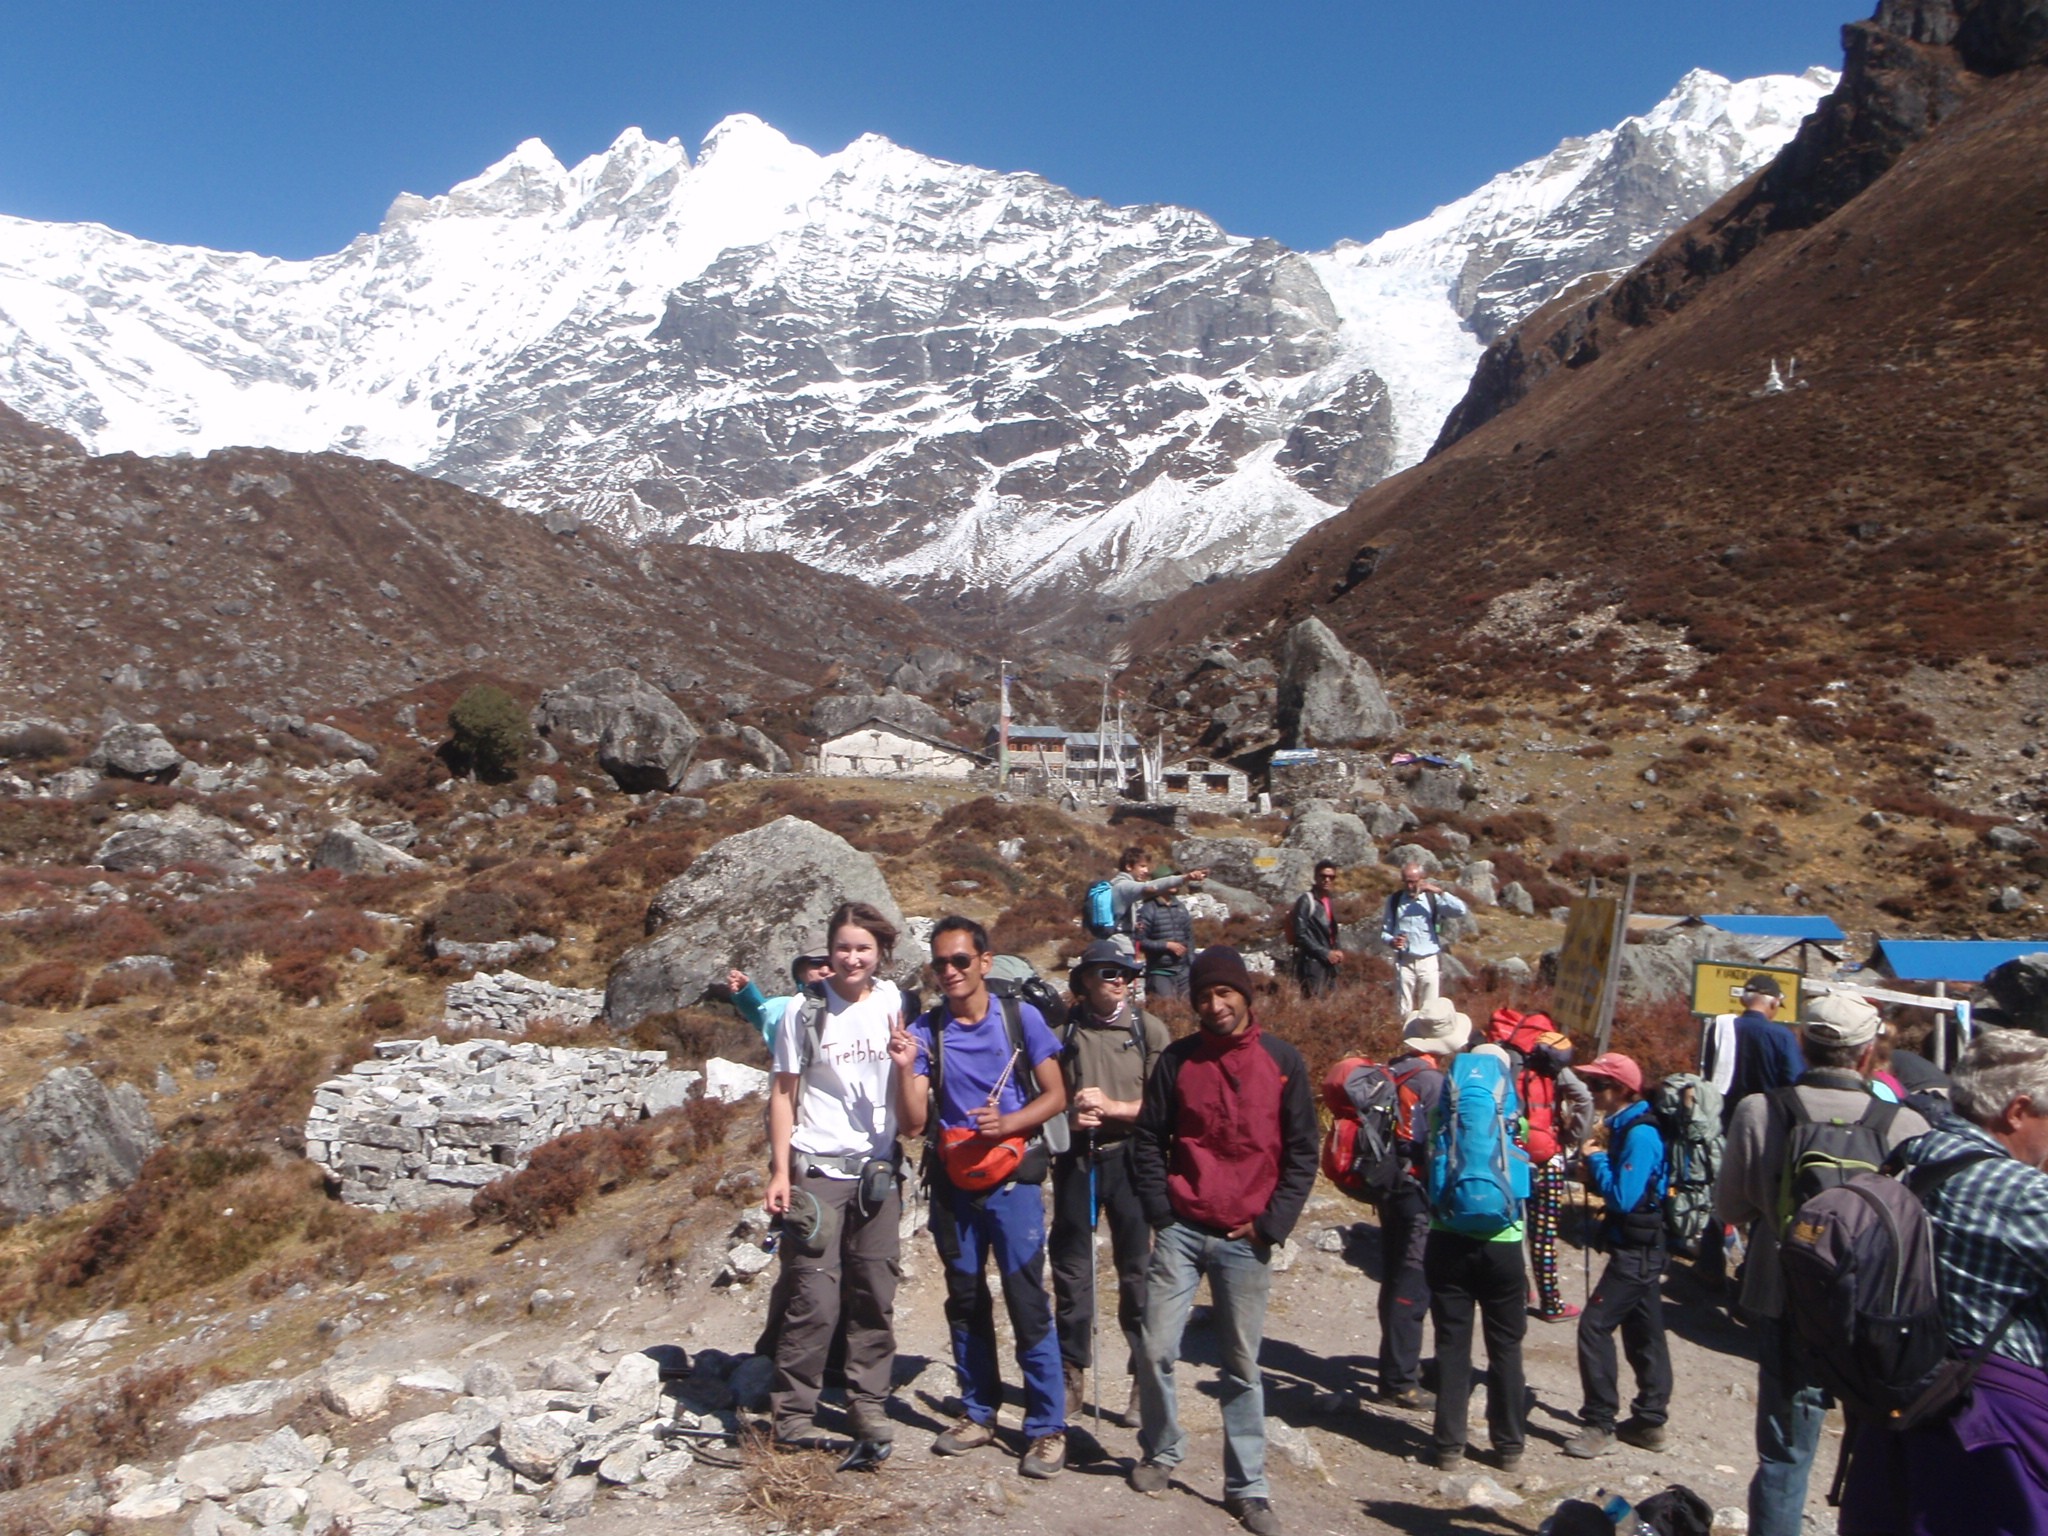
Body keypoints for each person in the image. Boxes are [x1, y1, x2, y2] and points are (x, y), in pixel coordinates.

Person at [1715, 993, 1929, 1536]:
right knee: (1876, 1448)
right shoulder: (1904, 1125)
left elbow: (1729, 1209)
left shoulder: (1761, 1110)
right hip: (1874, 1310)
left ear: (1802, 1043)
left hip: (1784, 1293)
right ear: (1866, 1054)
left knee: (1785, 1453)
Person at [1128, 946, 1318, 1536]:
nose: (1215, 1006)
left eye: (1225, 994)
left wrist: (1270, 1225)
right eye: (1205, 996)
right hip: (1183, 1230)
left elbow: (1303, 1153)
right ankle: (1161, 1450)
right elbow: (1147, 1140)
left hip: (1246, 1239)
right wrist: (1163, 1213)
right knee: (1156, 1347)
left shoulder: (1283, 1062)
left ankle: (1248, 1487)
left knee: (1240, 1365)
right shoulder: (1179, 1061)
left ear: (1246, 995)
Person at [1839, 1027, 2048, 1536]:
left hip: (1899, 1405)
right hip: (1994, 1428)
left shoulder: (1912, 1155)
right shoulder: (2022, 1192)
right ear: (2016, 1111)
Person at [907, 915, 1071, 1479]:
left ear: (985, 962)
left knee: (1027, 1303)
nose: (948, 972)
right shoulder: (927, 1030)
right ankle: (978, 1413)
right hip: (953, 1185)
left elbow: (1056, 1095)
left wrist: (1010, 1124)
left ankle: (1047, 1427)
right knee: (966, 1300)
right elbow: (910, 1122)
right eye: (939, 964)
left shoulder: (1019, 1018)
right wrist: (905, 1067)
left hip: (1013, 1183)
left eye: (959, 961)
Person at [763, 903, 919, 1455]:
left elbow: (910, 1089)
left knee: (874, 1290)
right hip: (818, 1173)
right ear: (828, 951)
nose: (852, 958)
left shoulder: (895, 1004)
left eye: (863, 949)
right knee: (814, 1298)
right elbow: (783, 1095)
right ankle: (794, 1414)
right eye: (843, 947)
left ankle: (867, 1403)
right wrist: (781, 1171)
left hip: (878, 1173)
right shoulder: (803, 1014)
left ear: (880, 954)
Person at [1048, 940, 1174, 1425]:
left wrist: (1117, 1110)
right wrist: (1071, 1118)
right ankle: (1070, 1373)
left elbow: (1164, 1107)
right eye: (1107, 972)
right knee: (1072, 1267)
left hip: (1132, 1159)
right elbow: (1046, 1100)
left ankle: (1144, 1377)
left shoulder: (1149, 1031)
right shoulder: (1062, 1033)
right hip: (1079, 1159)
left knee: (1138, 1270)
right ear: (1084, 981)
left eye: (1125, 973)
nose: (1120, 980)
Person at [1423, 1041, 1530, 1473]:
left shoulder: (1443, 1107)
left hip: (1447, 1236)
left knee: (1452, 1345)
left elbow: (1425, 1149)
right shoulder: (1512, 1113)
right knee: (1506, 1347)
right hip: (1504, 1242)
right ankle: (1509, 1447)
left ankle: (1449, 1446)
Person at [1563, 1052, 1672, 1458]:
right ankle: (1649, 1421)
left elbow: (1625, 1197)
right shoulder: (1627, 1126)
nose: (1593, 1092)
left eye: (1599, 1086)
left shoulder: (1640, 1134)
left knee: (1594, 1326)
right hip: (1643, 1245)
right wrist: (1599, 1169)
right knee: (1645, 1332)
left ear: (1624, 1089)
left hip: (1636, 1247)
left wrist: (1596, 1162)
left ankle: (1600, 1423)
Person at [1376, 1000, 1470, 1410]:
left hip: (1387, 1185)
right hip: (1417, 1189)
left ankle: (1392, 1368)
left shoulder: (1394, 1068)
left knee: (1394, 1276)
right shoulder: (1434, 1082)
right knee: (1413, 1283)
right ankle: (1400, 1381)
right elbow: (1437, 1144)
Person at [1380, 863, 1468, 1014]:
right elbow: (1385, 932)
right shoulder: (1394, 901)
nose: (1410, 886)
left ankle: (1427, 1037)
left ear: (1422, 879)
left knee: (1430, 1010)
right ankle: (1404, 1036)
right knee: (1403, 1010)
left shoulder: (1432, 899)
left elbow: (1461, 910)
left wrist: (1440, 892)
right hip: (1404, 961)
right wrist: (1392, 941)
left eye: (1413, 881)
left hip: (1428, 961)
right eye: (1406, 881)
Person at [729, 951, 834, 1049]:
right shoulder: (788, 1006)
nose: (824, 971)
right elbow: (763, 1013)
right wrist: (746, 992)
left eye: (832, 966)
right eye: (816, 965)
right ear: (802, 975)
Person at [1111, 847, 1208, 949]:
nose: (1146, 871)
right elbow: (1150, 887)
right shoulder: (1124, 886)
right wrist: (1186, 878)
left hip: (1121, 944)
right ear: (1128, 867)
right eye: (1142, 866)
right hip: (1119, 946)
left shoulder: (1121, 886)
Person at [1289, 860, 1346, 998]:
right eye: (1323, 876)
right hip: (1312, 963)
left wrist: (1337, 950)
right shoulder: (1306, 900)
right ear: (1315, 877)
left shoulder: (1329, 900)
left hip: (1329, 963)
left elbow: (1331, 932)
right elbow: (1300, 934)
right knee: (1313, 1003)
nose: (1327, 880)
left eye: (1331, 877)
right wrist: (1325, 953)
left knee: (1330, 1005)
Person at [1133, 883, 1195, 1003]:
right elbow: (1139, 942)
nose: (1175, 883)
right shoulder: (1148, 909)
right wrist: (1166, 946)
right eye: (1170, 879)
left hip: (1183, 972)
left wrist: (1191, 964)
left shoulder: (1181, 907)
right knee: (1164, 1010)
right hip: (1159, 972)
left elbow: (1189, 937)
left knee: (1188, 1009)